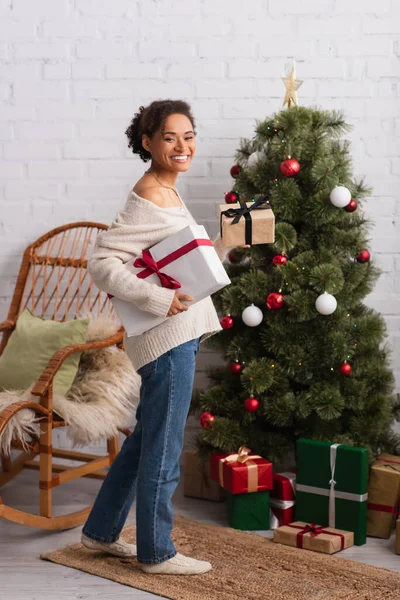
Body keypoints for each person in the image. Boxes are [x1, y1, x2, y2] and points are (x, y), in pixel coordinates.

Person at [80, 99, 249, 575]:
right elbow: (101, 263)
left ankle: (99, 531)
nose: (182, 145)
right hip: (167, 337)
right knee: (165, 445)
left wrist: (226, 243)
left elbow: (183, 265)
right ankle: (157, 553)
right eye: (170, 137)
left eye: (189, 135)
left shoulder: (169, 193)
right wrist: (156, 301)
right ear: (147, 142)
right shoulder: (149, 195)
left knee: (146, 440)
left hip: (178, 332)